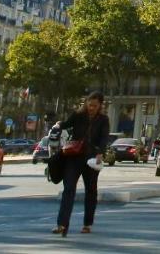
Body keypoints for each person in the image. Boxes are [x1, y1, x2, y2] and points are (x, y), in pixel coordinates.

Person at [54, 91, 110, 237]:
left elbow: (104, 138)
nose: (91, 107)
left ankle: (87, 223)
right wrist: (59, 124)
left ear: (100, 106)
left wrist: (100, 152)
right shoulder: (78, 115)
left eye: (95, 106)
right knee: (69, 189)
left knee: (91, 191)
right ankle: (62, 224)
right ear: (86, 103)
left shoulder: (104, 119)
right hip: (74, 157)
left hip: (91, 159)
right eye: (89, 104)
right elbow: (66, 124)